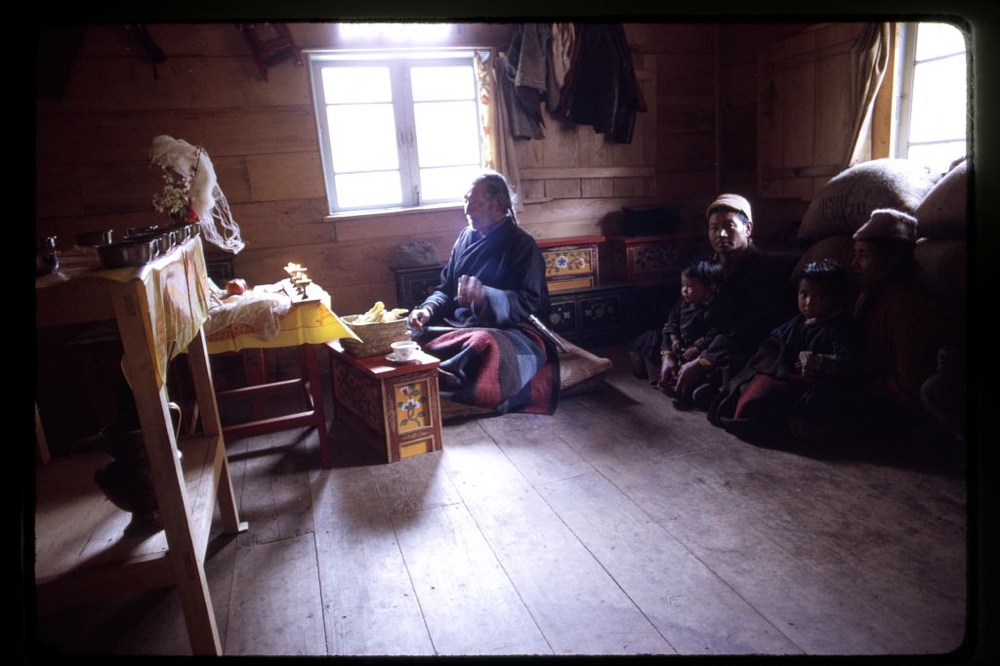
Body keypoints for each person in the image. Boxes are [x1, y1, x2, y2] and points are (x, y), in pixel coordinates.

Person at [407, 171, 559, 415]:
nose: (467, 210)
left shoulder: (521, 244)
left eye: (474, 203)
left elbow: (529, 301)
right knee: (411, 329)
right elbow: (445, 289)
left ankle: (440, 375)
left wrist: (487, 297)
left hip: (511, 327)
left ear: (498, 204)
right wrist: (427, 309)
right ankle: (440, 371)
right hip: (460, 324)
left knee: (484, 344)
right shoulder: (465, 238)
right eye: (465, 201)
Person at [707, 259, 859, 446]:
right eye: (804, 294)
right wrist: (782, 359)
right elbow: (773, 343)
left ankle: (816, 430)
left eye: (820, 297)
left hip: (816, 384)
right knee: (747, 382)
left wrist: (820, 361)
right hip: (788, 376)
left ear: (836, 298)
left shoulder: (840, 327)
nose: (809, 302)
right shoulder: (798, 322)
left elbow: (849, 362)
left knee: (817, 401)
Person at [670, 193, 798, 409]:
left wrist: (703, 360)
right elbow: (681, 308)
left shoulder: (766, 270)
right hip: (706, 340)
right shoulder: (707, 269)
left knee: (753, 361)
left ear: (747, 228)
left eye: (729, 226)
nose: (720, 234)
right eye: (714, 227)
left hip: (743, 343)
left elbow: (751, 327)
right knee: (657, 341)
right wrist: (669, 352)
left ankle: (716, 385)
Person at [850, 208, 941, 434]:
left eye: (863, 255)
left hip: (892, 406)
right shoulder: (869, 295)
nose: (854, 264)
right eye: (855, 254)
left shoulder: (904, 303)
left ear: (893, 260)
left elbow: (909, 385)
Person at [653, 259, 725, 398]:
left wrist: (697, 348)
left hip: (699, 351)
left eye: (690, 286)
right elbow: (672, 322)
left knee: (709, 370)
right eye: (683, 285)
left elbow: (715, 333)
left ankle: (695, 388)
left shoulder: (714, 308)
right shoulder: (682, 302)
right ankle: (667, 380)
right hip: (682, 346)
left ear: (710, 288)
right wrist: (674, 339)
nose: (684, 291)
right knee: (653, 339)